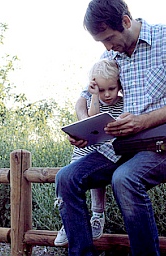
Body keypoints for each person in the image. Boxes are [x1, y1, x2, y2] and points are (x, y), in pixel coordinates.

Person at [55, 0, 166, 255]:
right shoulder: (110, 55)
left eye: (109, 38)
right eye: (101, 42)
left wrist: (142, 121)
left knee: (124, 178)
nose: (107, 46)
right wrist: (84, 128)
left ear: (125, 21)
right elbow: (84, 97)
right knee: (66, 178)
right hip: (125, 145)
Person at [54, 58, 123, 246]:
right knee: (70, 175)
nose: (107, 94)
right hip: (90, 146)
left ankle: (97, 215)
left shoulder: (125, 103)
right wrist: (94, 96)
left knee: (93, 174)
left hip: (108, 149)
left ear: (119, 85)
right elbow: (92, 117)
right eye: (101, 90)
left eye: (111, 89)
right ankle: (69, 223)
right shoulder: (96, 99)